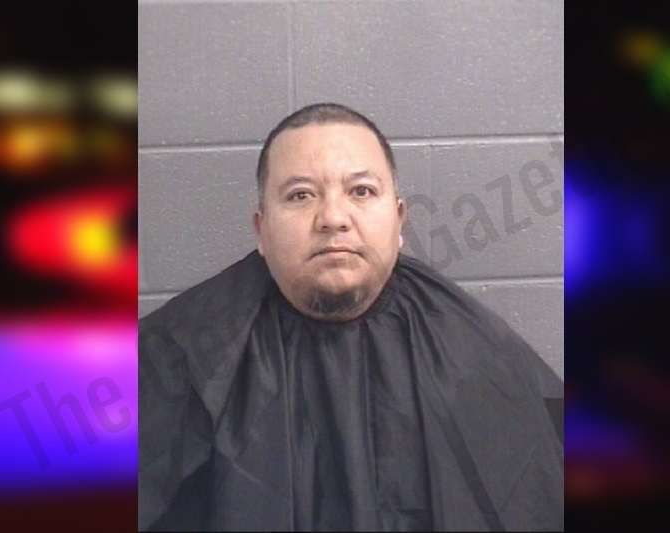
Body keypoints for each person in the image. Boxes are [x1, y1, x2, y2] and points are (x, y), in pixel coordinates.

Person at [138, 103, 563, 531]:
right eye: (300, 195)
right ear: (261, 230)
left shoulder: (472, 345)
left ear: (399, 220)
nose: (333, 219)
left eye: (361, 191)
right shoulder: (179, 353)